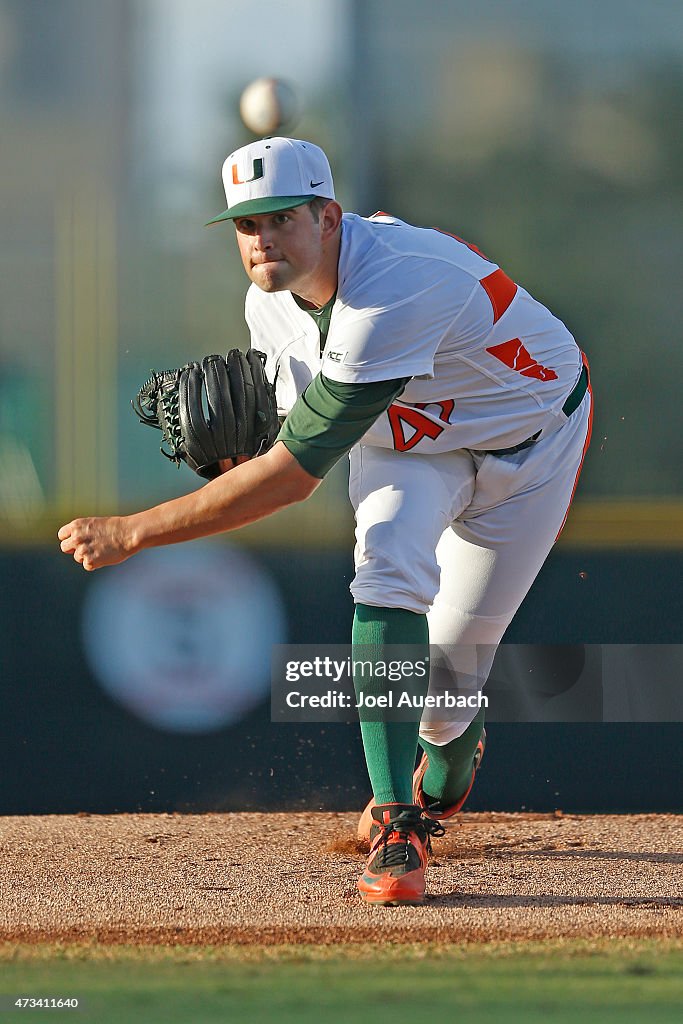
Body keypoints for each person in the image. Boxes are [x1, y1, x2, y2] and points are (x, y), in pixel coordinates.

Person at [59, 137, 593, 907]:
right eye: (245, 225)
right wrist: (231, 462)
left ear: (329, 217)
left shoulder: (396, 287)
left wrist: (135, 531)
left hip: (530, 442)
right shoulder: (267, 305)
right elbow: (280, 443)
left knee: (447, 689)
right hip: (406, 440)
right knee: (386, 570)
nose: (261, 239)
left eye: (279, 218)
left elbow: (287, 481)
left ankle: (449, 747)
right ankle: (397, 825)